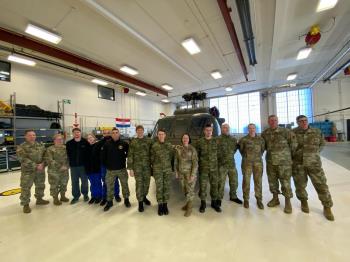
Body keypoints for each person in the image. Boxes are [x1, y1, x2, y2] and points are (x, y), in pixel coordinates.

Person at [292, 115, 334, 221]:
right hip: (298, 164)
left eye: (305, 120)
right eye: (301, 121)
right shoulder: (292, 133)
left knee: (321, 185)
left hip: (314, 164)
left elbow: (322, 143)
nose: (304, 122)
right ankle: (303, 202)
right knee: (300, 185)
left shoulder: (316, 131)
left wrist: (314, 153)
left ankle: (327, 207)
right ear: (297, 122)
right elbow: (289, 147)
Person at [262, 115, 297, 214]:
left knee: (285, 182)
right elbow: (262, 146)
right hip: (270, 162)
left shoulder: (286, 132)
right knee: (272, 182)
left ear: (278, 121)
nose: (273, 122)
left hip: (284, 163)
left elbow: (293, 145)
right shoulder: (265, 133)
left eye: (275, 120)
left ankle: (287, 202)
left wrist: (289, 157)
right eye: (271, 120)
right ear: (268, 122)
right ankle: (275, 198)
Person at [16, 130, 49, 213]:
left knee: (40, 185)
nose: (32, 137)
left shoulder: (40, 145)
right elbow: (22, 159)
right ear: (25, 136)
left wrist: (43, 164)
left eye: (33, 135)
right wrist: (36, 166)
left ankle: (39, 199)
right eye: (30, 135)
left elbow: (46, 155)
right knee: (26, 187)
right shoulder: (21, 147)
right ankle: (25, 204)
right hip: (28, 171)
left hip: (40, 171)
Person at [102, 128, 130, 212]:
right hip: (110, 170)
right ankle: (109, 202)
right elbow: (103, 157)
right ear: (111, 134)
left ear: (119, 134)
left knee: (124, 185)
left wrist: (124, 160)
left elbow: (129, 154)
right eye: (113, 133)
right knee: (109, 186)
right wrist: (107, 165)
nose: (115, 134)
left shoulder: (124, 144)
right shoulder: (107, 144)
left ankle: (126, 200)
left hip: (121, 169)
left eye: (116, 132)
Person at [239, 124, 265, 209]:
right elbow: (241, 150)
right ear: (248, 129)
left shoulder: (261, 139)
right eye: (250, 128)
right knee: (246, 181)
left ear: (255, 129)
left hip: (258, 164)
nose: (252, 130)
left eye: (253, 128)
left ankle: (259, 199)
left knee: (258, 181)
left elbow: (262, 150)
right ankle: (246, 199)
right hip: (247, 164)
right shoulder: (243, 140)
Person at [196, 124, 221, 213]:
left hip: (214, 169)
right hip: (203, 169)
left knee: (214, 186)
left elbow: (219, 154)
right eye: (206, 130)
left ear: (212, 131)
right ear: (204, 131)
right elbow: (196, 156)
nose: (208, 132)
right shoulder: (199, 142)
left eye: (210, 130)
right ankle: (203, 203)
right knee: (203, 187)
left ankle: (214, 203)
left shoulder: (216, 141)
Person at [127, 125, 152, 213]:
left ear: (143, 131)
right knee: (139, 185)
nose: (140, 131)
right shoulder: (133, 142)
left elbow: (152, 153)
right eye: (138, 130)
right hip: (137, 167)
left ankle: (144, 197)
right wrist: (130, 169)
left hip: (147, 167)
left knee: (147, 184)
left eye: (141, 130)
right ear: (136, 131)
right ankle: (140, 202)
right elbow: (130, 155)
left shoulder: (149, 140)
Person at [150, 129, 174, 216]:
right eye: (159, 134)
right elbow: (151, 159)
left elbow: (172, 157)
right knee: (159, 188)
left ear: (165, 135)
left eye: (162, 134)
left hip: (167, 170)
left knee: (166, 187)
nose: (161, 136)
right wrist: (152, 170)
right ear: (157, 135)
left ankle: (165, 204)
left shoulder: (169, 145)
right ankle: (160, 205)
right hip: (158, 170)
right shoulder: (154, 146)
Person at [217, 123, 242, 206]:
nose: (226, 129)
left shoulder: (233, 139)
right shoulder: (217, 139)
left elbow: (235, 149)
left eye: (227, 127)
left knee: (234, 181)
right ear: (221, 129)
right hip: (221, 165)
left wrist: (229, 155)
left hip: (231, 164)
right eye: (224, 127)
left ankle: (233, 196)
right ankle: (219, 198)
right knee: (221, 183)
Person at [94, 129, 121, 206]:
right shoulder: (99, 144)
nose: (106, 134)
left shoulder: (116, 142)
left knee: (115, 181)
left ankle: (116, 195)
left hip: (113, 166)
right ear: (103, 134)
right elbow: (96, 155)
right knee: (105, 182)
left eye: (108, 133)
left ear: (111, 134)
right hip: (104, 166)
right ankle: (105, 197)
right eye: (105, 133)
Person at [174, 133, 198, 217]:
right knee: (185, 190)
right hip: (181, 174)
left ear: (189, 139)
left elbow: (195, 163)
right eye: (183, 138)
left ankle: (190, 208)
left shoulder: (192, 149)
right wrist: (176, 172)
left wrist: (192, 175)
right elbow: (176, 161)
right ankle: (188, 204)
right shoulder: (179, 149)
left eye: (186, 138)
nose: (185, 139)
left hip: (189, 174)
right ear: (182, 139)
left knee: (190, 191)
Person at [44, 133, 70, 206]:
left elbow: (69, 158)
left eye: (61, 139)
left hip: (64, 170)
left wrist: (67, 166)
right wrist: (60, 166)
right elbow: (49, 160)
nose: (60, 141)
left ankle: (63, 196)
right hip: (54, 171)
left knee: (64, 184)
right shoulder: (50, 149)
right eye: (58, 139)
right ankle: (55, 198)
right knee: (54, 185)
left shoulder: (65, 148)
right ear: (54, 140)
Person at [66, 128, 89, 204]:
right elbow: (67, 155)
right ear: (73, 134)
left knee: (84, 182)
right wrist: (67, 164)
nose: (77, 134)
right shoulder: (69, 143)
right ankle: (76, 196)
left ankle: (85, 194)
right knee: (74, 182)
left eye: (78, 132)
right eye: (75, 132)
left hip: (83, 166)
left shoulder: (85, 142)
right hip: (73, 167)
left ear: (80, 133)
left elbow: (89, 154)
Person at [86, 133, 103, 204]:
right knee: (92, 183)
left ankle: (99, 196)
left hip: (97, 168)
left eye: (91, 137)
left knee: (98, 183)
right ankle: (93, 196)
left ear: (94, 138)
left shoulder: (98, 145)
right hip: (89, 169)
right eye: (88, 138)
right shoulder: (86, 147)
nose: (90, 139)